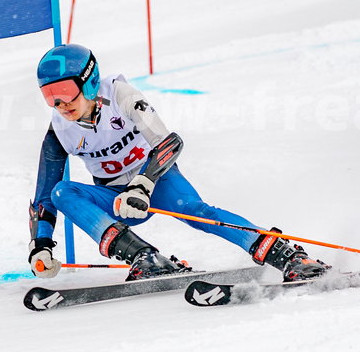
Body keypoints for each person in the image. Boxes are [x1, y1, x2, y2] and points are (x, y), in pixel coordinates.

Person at [27, 43, 330, 283]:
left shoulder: (120, 95)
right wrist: (41, 244)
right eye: (49, 96)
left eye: (65, 92)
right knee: (62, 192)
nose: (60, 104)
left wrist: (143, 185)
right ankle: (143, 256)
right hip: (118, 201)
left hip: (157, 182)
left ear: (89, 82)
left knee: (198, 213)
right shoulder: (60, 131)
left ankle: (285, 254)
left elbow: (168, 142)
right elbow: (45, 195)